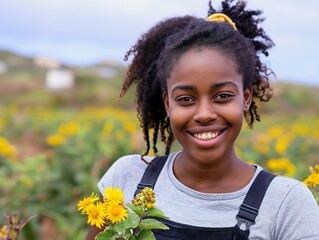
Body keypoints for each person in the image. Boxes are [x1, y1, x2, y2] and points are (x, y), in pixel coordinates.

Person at [87, 0, 319, 239]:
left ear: (246, 97)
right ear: (167, 104)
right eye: (186, 99)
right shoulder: (128, 177)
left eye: (223, 96)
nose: (205, 114)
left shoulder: (287, 203)